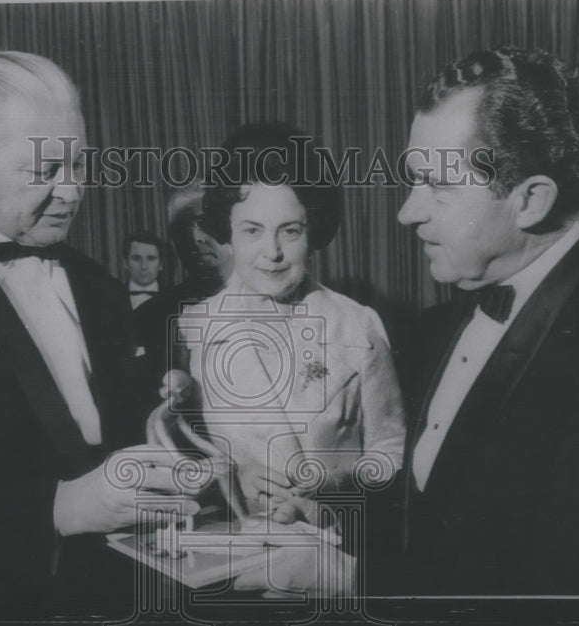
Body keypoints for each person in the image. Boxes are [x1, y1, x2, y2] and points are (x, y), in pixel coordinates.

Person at [0, 51, 200, 603]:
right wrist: (59, 508)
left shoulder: (99, 286)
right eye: (46, 170)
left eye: (79, 166)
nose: (73, 192)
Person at [385, 47, 579, 595]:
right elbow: (430, 514)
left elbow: (568, 591)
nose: (406, 212)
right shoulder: (432, 329)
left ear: (530, 201)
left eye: (438, 186)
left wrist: (356, 583)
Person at [162, 123, 405, 519]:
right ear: (228, 234)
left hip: (336, 550)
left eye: (290, 231)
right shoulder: (193, 329)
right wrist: (227, 477)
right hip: (233, 547)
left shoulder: (358, 325)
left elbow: (390, 452)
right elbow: (179, 456)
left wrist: (334, 485)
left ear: (314, 232)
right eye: (252, 230)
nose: (271, 252)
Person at [134, 184, 233, 379]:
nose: (195, 238)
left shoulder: (275, 302)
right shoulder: (148, 317)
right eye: (182, 229)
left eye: (205, 224)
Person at [121, 231, 164, 309]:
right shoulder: (110, 299)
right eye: (136, 258)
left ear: (161, 264)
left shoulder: (175, 298)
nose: (144, 266)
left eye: (151, 258)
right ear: (126, 263)